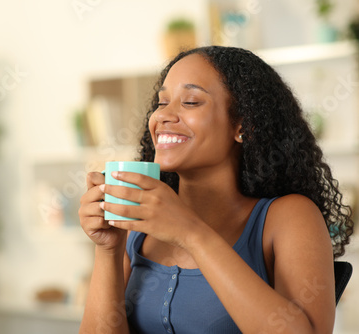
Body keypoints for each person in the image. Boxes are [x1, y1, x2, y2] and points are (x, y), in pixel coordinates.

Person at [78, 46, 354, 334]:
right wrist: (108, 250)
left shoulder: (288, 218)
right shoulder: (138, 227)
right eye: (162, 103)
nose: (163, 116)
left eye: (191, 101)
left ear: (243, 126)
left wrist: (190, 233)